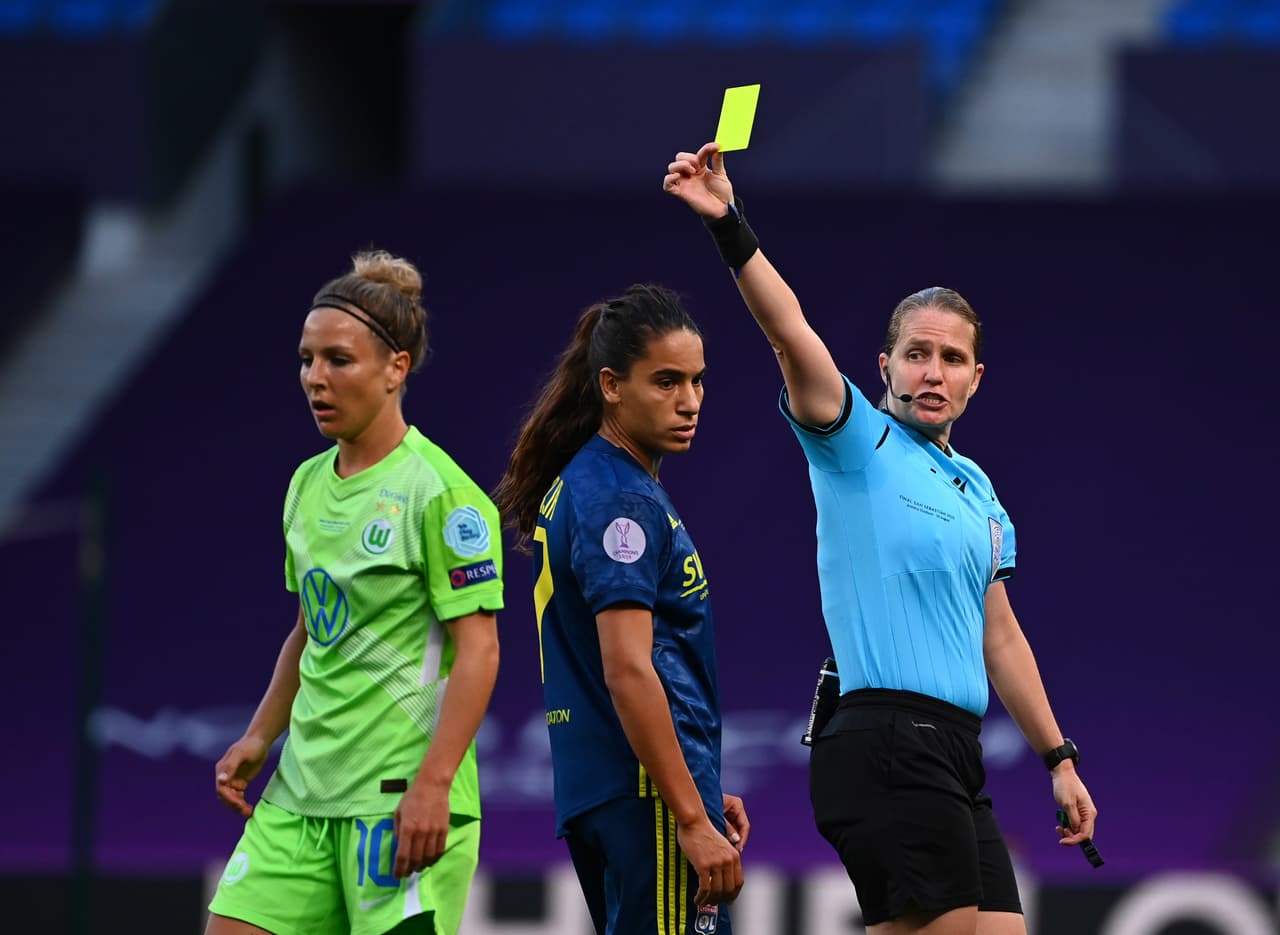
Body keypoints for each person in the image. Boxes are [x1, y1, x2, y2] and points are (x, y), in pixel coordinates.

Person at [663, 144, 1098, 935]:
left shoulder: (979, 488)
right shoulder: (855, 440)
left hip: (956, 752)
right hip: (888, 742)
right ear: (886, 366)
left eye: (952, 358)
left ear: (975, 378)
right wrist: (729, 223)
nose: (933, 371)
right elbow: (787, 329)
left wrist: (1058, 758)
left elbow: (1000, 635)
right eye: (917, 353)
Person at [206, 250, 503, 935]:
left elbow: (480, 652)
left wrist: (434, 784)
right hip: (299, 798)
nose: (316, 377)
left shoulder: (441, 493)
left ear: (396, 368)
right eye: (307, 359)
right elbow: (310, 628)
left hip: (396, 801)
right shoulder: (305, 483)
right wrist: (260, 734)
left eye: (339, 360)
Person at [492, 284, 748, 935]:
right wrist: (688, 812)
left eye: (696, 380)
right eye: (666, 381)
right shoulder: (620, 501)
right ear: (611, 384)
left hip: (614, 787)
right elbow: (629, 669)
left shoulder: (587, 481)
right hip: (642, 793)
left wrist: (697, 783)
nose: (689, 400)